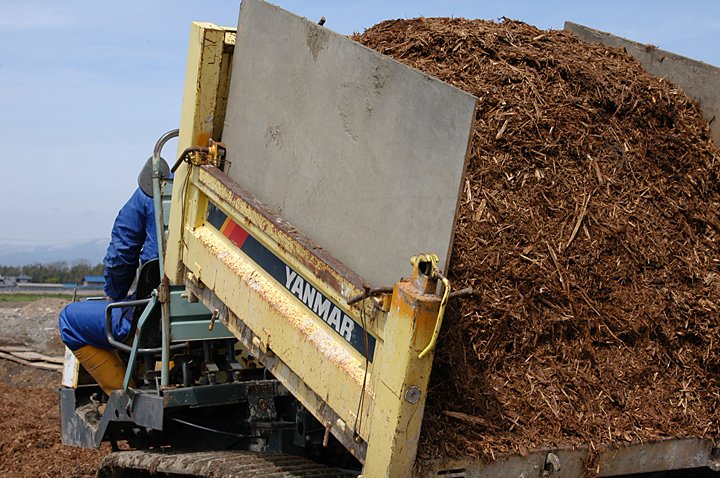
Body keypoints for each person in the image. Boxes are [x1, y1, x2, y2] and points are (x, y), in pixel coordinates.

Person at [59, 186, 157, 395]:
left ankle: (125, 399)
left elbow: (122, 253)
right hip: (209, 322)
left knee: (69, 320)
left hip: (155, 318)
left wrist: (115, 293)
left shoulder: (154, 187)